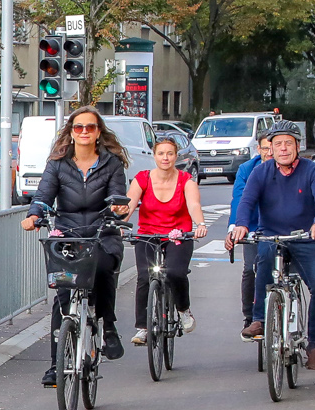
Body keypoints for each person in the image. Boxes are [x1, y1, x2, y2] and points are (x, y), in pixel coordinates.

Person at [23, 107, 132, 386]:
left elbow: (119, 198)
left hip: (101, 233)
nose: (84, 132)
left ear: (98, 133)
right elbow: (44, 196)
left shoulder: (111, 164)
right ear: (71, 132)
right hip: (67, 236)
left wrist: (119, 209)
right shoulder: (58, 164)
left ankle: (108, 327)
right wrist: (33, 215)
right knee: (62, 297)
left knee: (105, 269)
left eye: (90, 128)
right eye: (79, 127)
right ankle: (55, 366)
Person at [227, 122, 315, 371]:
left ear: (298, 145)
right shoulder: (261, 172)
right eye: (277, 144)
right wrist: (241, 224)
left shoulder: (312, 171)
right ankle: (260, 319)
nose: (283, 148)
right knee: (261, 263)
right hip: (272, 236)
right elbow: (247, 200)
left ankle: (314, 343)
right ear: (270, 148)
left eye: (288, 143)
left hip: (304, 236)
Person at [126, 135, 206, 344]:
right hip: (148, 235)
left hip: (178, 235)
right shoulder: (142, 178)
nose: (165, 158)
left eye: (170, 153)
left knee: (175, 273)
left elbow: (194, 205)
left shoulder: (185, 180)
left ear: (176, 156)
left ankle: (183, 309)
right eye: (161, 153)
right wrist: (118, 223)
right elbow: (130, 204)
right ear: (154, 156)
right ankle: (143, 327)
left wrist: (200, 224)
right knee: (145, 276)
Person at [228, 135, 275, 338]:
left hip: (280, 226)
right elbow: (240, 198)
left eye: (272, 148)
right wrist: (236, 226)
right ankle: (250, 316)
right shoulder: (248, 169)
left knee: (287, 273)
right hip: (253, 225)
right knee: (250, 269)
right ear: (258, 148)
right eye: (265, 149)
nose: (270, 153)